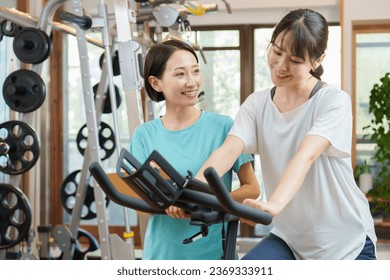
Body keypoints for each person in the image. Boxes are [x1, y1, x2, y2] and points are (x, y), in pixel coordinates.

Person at [196, 8, 377, 260]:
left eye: (295, 60)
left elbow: (306, 155)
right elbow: (228, 150)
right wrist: (192, 190)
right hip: (290, 240)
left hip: (345, 242)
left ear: (317, 60)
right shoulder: (257, 104)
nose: (280, 66)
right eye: (277, 52)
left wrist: (274, 205)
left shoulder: (332, 101)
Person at [129, 39, 260, 260]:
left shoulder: (223, 127)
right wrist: (165, 203)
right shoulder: (144, 135)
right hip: (162, 255)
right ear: (156, 83)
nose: (192, 82)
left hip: (213, 253)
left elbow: (252, 188)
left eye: (196, 71)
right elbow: (140, 205)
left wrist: (211, 203)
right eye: (180, 74)